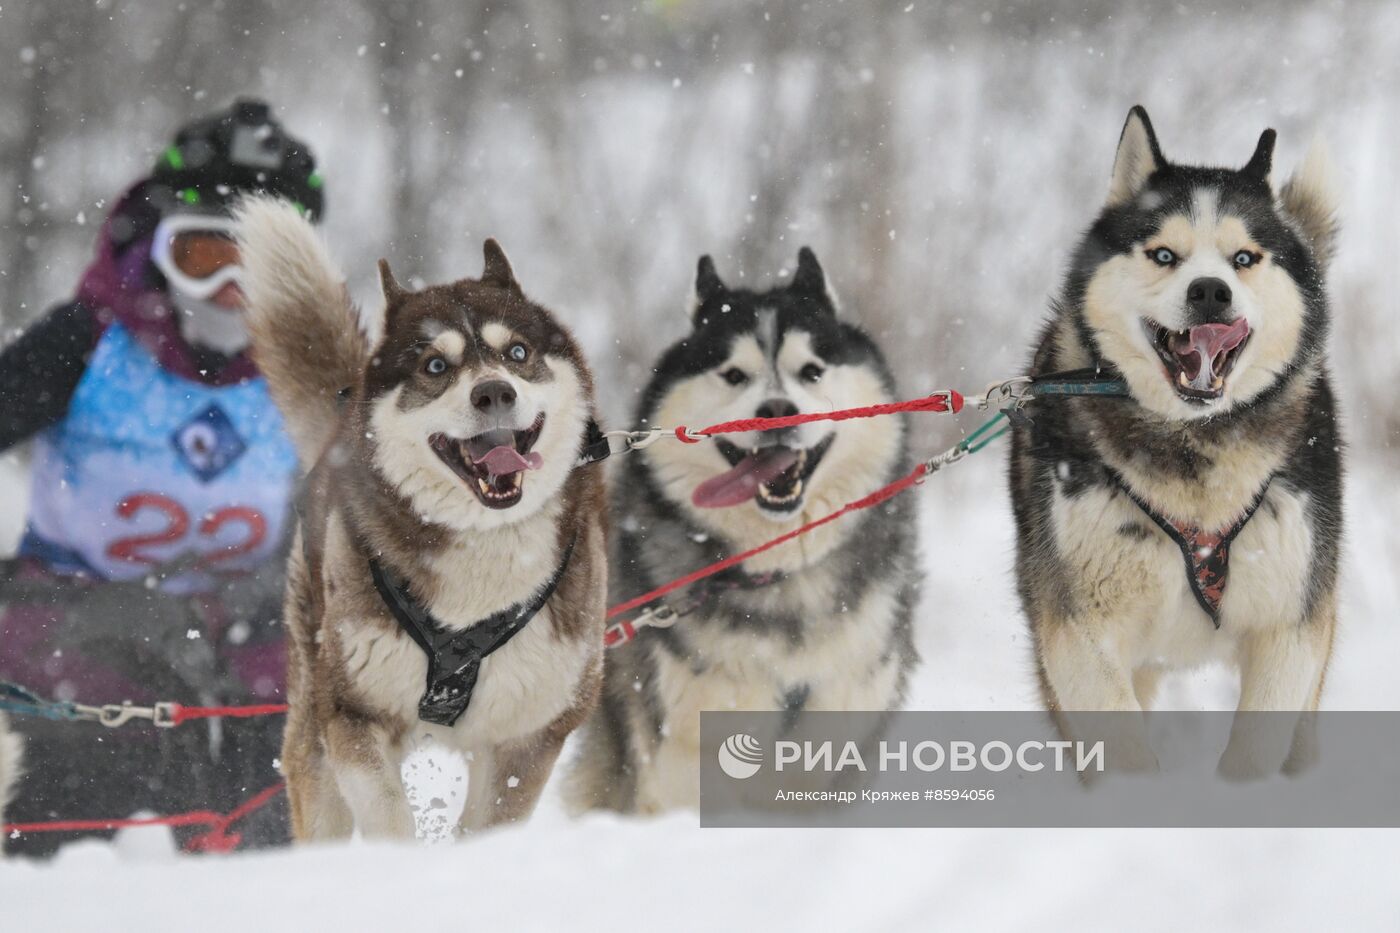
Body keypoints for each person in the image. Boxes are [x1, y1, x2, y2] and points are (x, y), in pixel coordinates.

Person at [0, 99, 323, 856]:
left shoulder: (319, 372)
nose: (233, 292)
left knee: (302, 749)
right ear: (159, 248)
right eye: (207, 258)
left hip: (248, 636)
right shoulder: (86, 343)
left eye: (267, 267)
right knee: (96, 755)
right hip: (77, 626)